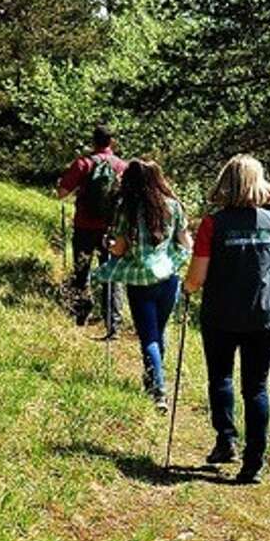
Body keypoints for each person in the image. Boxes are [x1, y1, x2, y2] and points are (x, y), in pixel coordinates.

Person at [183, 154, 270, 484]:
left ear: (225, 183)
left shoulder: (212, 224)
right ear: (258, 183)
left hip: (221, 314)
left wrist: (186, 288)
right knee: (256, 386)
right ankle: (253, 463)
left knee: (221, 377)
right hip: (265, 315)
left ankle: (226, 440)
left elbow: (196, 278)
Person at [92, 159, 192, 411]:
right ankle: (152, 380)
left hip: (139, 280)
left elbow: (120, 248)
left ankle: (158, 390)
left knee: (147, 335)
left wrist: (108, 245)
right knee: (159, 330)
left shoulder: (128, 208)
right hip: (168, 278)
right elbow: (185, 242)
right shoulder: (173, 206)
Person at [56, 125, 127, 333]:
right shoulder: (122, 166)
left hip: (84, 227)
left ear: (93, 141)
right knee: (112, 274)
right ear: (112, 142)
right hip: (112, 229)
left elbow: (61, 193)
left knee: (81, 271)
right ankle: (113, 323)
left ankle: (80, 316)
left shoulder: (83, 163)